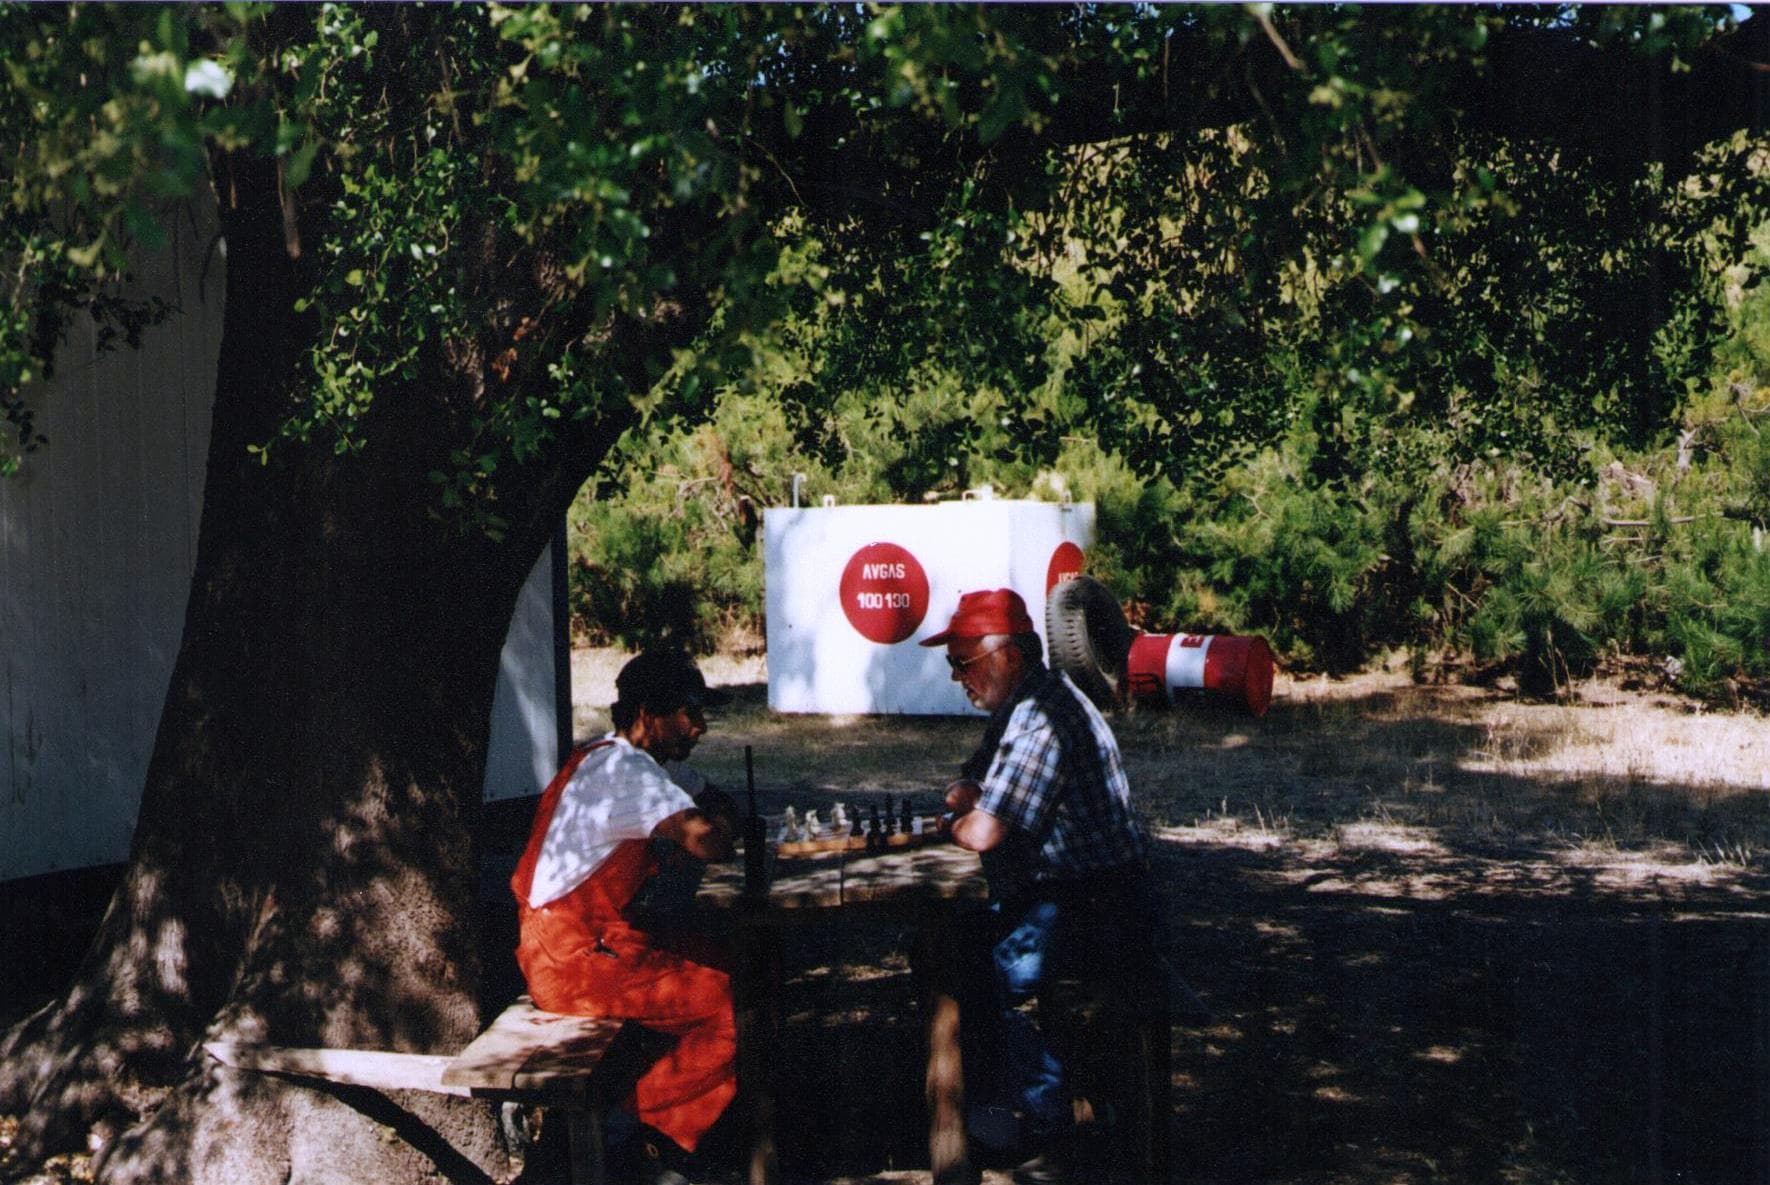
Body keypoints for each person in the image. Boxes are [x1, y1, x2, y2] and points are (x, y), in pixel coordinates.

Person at [922, 588, 1157, 1185]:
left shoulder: (1044, 716)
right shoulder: (1021, 707)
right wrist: (965, 804)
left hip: (1099, 901)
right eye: (953, 664)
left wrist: (958, 820)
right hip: (1073, 893)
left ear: (1008, 656)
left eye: (964, 662)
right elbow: (967, 786)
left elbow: (980, 828)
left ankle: (1052, 1137)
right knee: (952, 951)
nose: (958, 678)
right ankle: (1016, 1112)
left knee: (1008, 972)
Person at [509, 650, 738, 1185]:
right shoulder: (627, 770)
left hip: (591, 940)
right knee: (734, 1005)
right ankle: (635, 1136)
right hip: (569, 958)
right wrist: (722, 820)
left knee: (736, 962)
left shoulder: (612, 757)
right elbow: (709, 841)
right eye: (688, 713)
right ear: (646, 715)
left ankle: (652, 1124)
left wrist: (714, 804)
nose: (700, 727)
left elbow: (705, 791)